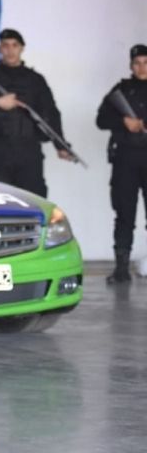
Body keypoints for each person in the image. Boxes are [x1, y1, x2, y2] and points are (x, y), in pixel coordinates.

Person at [0, 29, 72, 197]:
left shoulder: (35, 80)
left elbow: (51, 114)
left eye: (14, 45)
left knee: (34, 202)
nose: (10, 50)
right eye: (5, 45)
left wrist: (61, 146)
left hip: (28, 154)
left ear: (22, 48)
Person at [95, 43, 147, 283]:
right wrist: (123, 121)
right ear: (131, 65)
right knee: (124, 215)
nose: (141, 67)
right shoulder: (121, 90)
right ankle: (121, 269)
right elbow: (101, 119)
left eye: (146, 63)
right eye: (137, 63)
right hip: (125, 160)